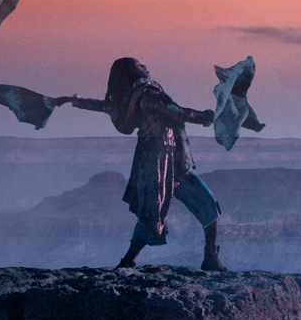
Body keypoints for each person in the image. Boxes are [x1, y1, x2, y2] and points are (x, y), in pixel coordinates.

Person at [54, 57, 228, 271]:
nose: (145, 66)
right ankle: (127, 262)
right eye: (139, 65)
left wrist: (74, 100)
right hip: (161, 160)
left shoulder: (128, 99)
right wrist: (208, 117)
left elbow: (101, 106)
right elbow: (179, 113)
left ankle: (209, 258)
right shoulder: (148, 95)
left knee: (204, 202)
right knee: (155, 212)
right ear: (132, 72)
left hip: (164, 159)